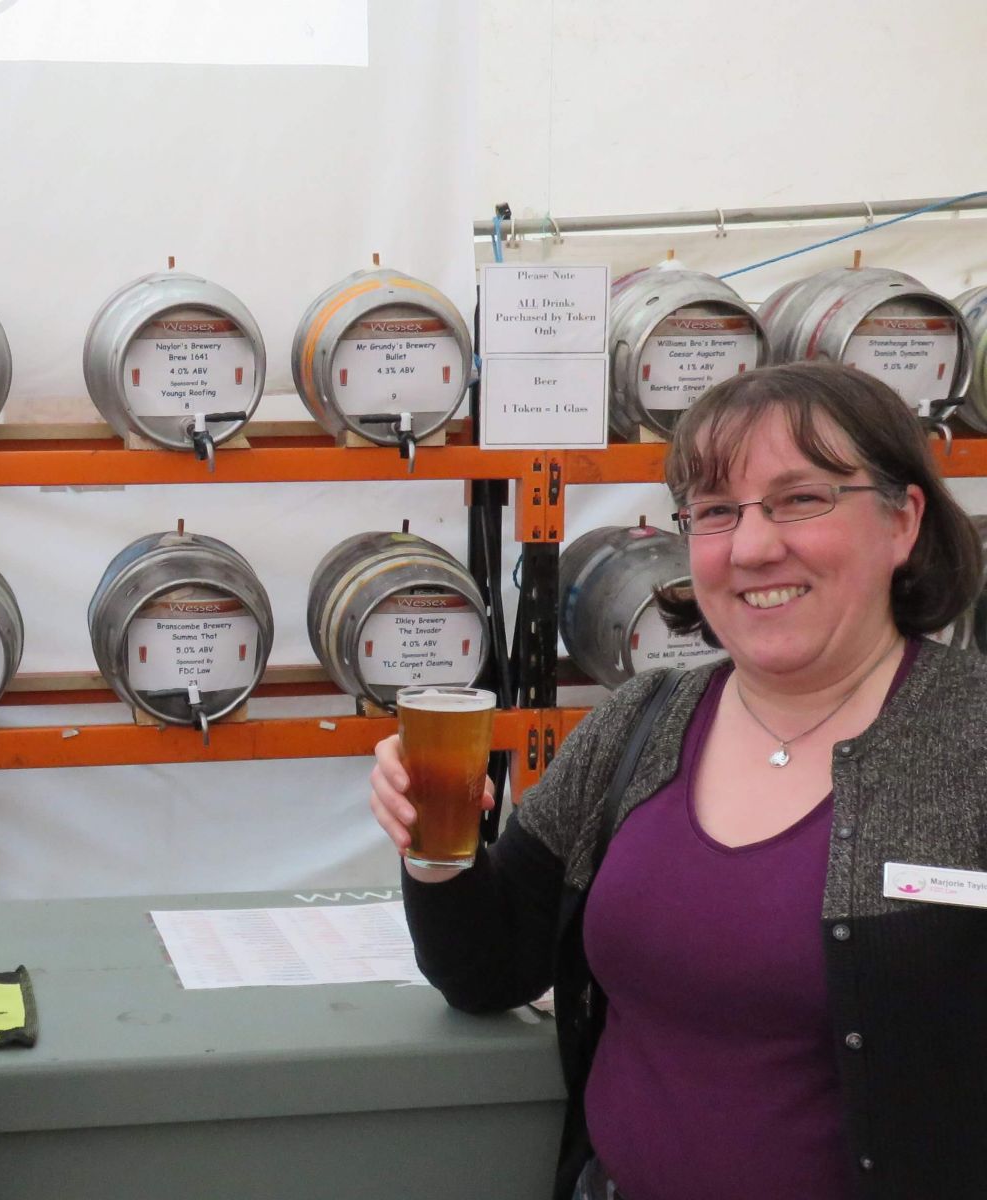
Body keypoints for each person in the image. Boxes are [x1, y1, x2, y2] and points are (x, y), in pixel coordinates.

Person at [369, 361, 987, 1200]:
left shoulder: (971, 740)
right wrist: (433, 846)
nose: (753, 546)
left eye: (802, 498)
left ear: (902, 521)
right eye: (716, 510)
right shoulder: (644, 720)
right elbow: (490, 967)